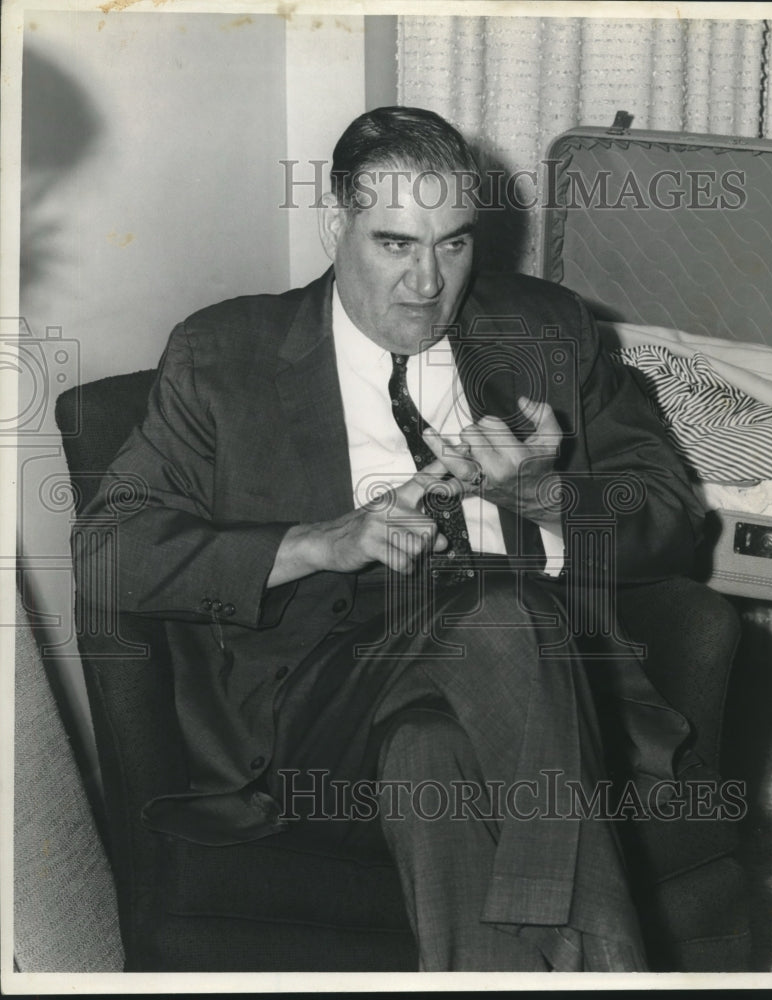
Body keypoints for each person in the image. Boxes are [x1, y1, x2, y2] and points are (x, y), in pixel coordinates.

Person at [75, 107, 730, 972]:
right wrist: (313, 543)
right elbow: (107, 549)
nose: (427, 282)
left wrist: (545, 498)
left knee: (436, 752)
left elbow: (674, 521)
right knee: (497, 610)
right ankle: (610, 963)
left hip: (540, 695)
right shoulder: (223, 352)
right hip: (319, 698)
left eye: (453, 245)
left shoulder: (547, 330)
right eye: (394, 244)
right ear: (333, 223)